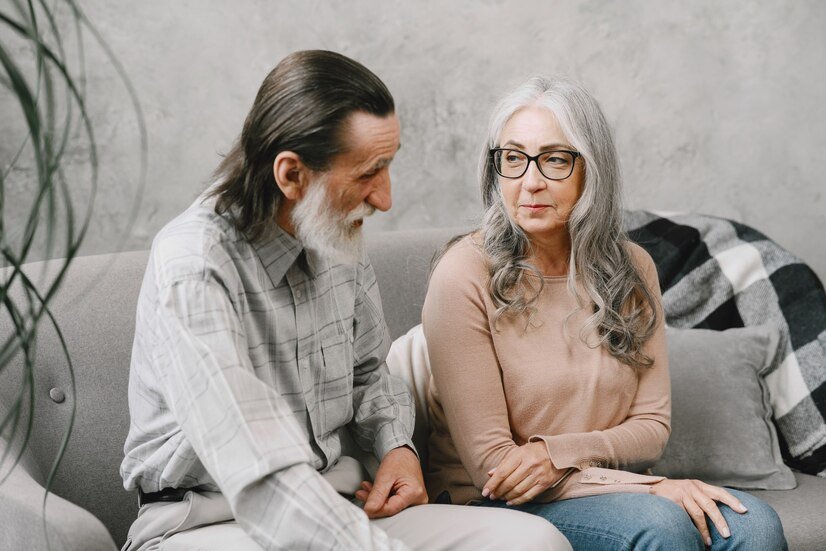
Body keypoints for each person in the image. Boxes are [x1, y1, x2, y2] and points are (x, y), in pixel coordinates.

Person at [119, 51, 570, 551]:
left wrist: (396, 446)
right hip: (207, 522)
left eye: (387, 166)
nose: (385, 198)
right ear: (291, 175)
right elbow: (260, 476)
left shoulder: (335, 236)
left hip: (342, 503)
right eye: (367, 173)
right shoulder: (194, 266)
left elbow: (368, 374)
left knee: (536, 542)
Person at [422, 75, 788, 550]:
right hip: (492, 502)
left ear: (591, 170)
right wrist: (653, 488)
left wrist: (560, 454)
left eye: (554, 160)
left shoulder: (632, 268)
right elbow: (494, 467)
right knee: (661, 525)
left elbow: (652, 429)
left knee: (757, 526)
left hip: (601, 488)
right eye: (512, 159)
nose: (529, 182)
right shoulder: (463, 274)